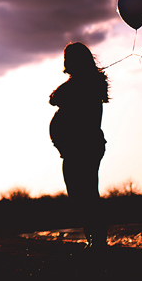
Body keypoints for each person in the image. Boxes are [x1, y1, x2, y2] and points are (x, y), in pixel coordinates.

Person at [49, 42, 109, 249]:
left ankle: (97, 240)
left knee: (85, 194)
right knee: (82, 194)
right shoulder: (85, 82)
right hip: (79, 147)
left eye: (69, 58)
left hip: (83, 146)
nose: (66, 62)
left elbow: (55, 98)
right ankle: (94, 238)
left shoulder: (84, 83)